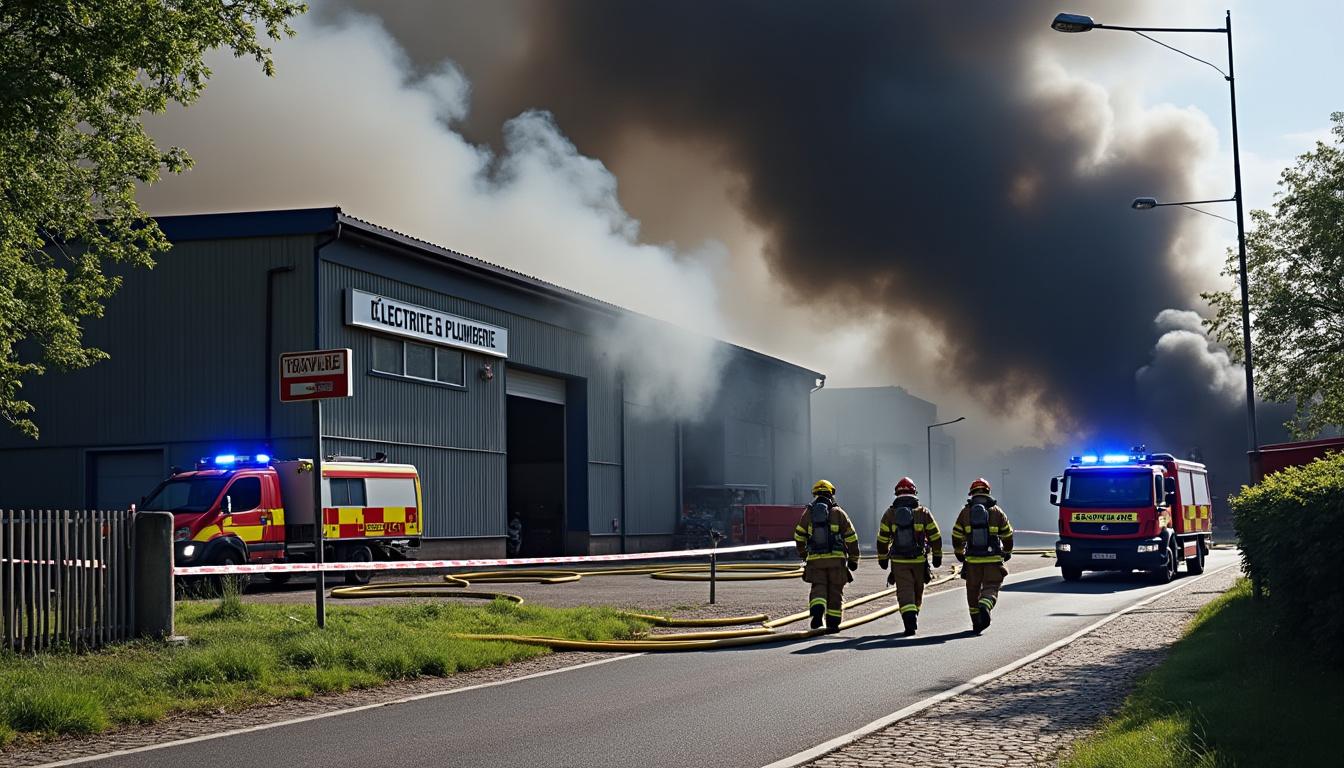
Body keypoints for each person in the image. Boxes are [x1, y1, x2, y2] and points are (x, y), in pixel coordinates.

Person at [876, 477, 942, 636]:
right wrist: (937, 556)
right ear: (914, 492)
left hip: (899, 561)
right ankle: (914, 614)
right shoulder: (923, 512)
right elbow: (935, 536)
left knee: (904, 590)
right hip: (919, 560)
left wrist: (882, 558)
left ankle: (909, 617)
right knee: (917, 590)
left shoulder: (889, 513)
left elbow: (882, 539)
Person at [793, 479, 861, 631]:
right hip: (836, 561)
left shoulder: (808, 513)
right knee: (835, 591)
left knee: (818, 587)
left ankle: (817, 612)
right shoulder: (838, 513)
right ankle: (833, 622)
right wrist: (853, 559)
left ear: (815, 494)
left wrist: (804, 554)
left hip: (816, 561)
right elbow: (851, 537)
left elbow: (799, 536)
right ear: (831, 494)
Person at [951, 478, 1014, 633]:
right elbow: (1007, 534)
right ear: (988, 492)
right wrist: (1007, 551)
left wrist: (959, 552)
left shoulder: (965, 512)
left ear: (972, 493)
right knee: (991, 586)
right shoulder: (997, 511)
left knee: (972, 590)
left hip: (972, 560)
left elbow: (956, 535)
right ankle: (985, 605)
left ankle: (976, 622)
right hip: (993, 559)